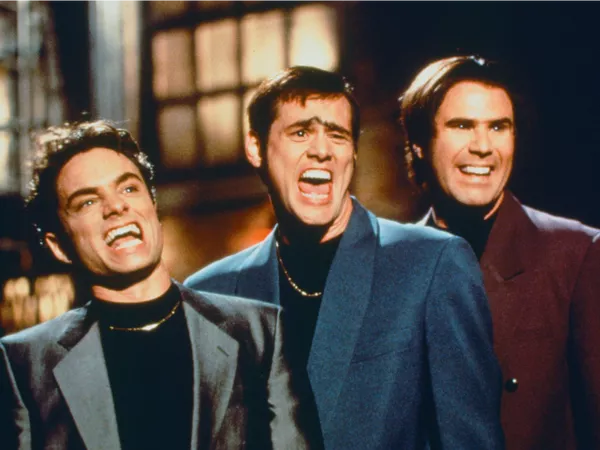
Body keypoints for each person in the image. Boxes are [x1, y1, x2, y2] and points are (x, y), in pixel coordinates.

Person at [185, 66, 504, 449]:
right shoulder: (208, 295)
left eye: (336, 134)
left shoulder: (431, 263)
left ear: (352, 151)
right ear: (256, 147)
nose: (321, 150)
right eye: (300, 132)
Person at [0, 120, 322, 450]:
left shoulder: (260, 333)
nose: (116, 207)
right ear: (59, 245)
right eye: (87, 202)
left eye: (128, 188)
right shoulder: (24, 363)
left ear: (152, 207)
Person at [400, 55, 600, 449]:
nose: (483, 147)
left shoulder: (576, 255)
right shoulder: (390, 265)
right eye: (461, 126)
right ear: (420, 143)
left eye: (498, 127)